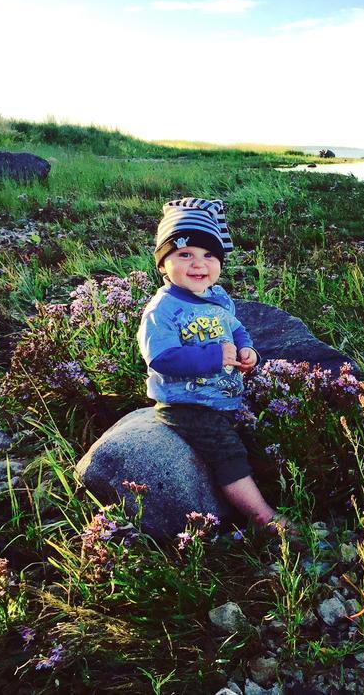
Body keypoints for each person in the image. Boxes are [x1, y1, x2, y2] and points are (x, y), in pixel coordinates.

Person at [137, 197, 284, 533]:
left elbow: (236, 328)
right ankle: (262, 517)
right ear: (163, 264)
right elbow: (159, 358)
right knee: (226, 452)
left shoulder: (217, 299)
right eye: (184, 254)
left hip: (224, 400)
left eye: (208, 256)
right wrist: (215, 357)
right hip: (187, 405)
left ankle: (265, 494)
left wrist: (247, 351)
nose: (198, 264)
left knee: (252, 443)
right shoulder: (163, 308)